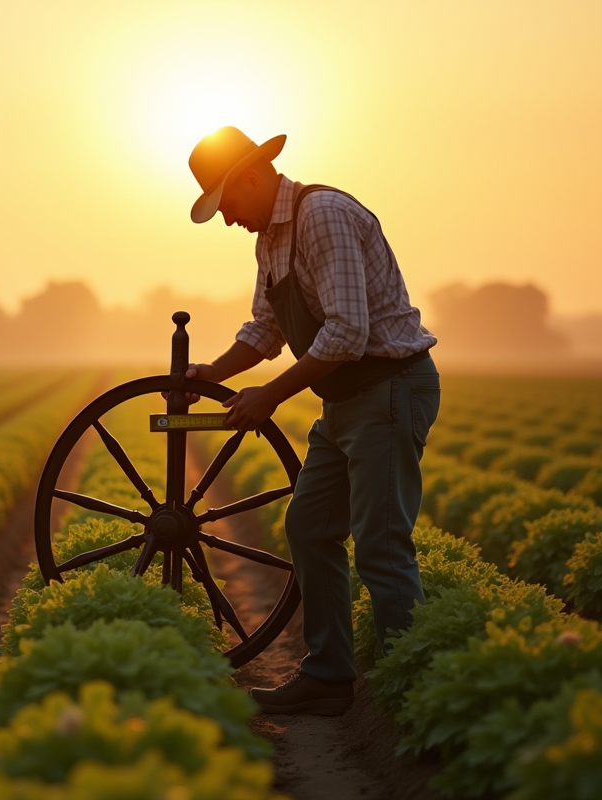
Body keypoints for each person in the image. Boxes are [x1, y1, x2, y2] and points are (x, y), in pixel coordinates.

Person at [185, 126, 440, 716]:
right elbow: (266, 328)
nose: (227, 220)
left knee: (380, 544)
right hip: (346, 399)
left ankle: (416, 689)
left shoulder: (321, 214)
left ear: (252, 177)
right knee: (309, 526)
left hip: (388, 388)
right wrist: (214, 373)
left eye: (226, 203)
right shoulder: (269, 239)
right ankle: (328, 675)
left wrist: (268, 396)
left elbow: (347, 333)